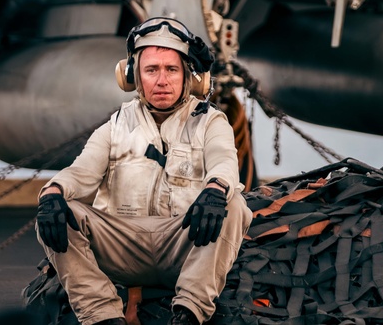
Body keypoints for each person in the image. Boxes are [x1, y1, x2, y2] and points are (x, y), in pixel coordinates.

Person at [35, 17, 252, 325]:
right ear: (133, 76)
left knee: (233, 204)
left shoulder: (209, 122)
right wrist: (53, 192)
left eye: (171, 69)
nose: (161, 80)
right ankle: (102, 316)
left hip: (183, 243)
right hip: (122, 243)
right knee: (58, 211)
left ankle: (189, 312)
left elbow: (224, 162)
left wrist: (216, 189)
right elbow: (80, 172)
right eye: (151, 70)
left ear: (190, 76)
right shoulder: (116, 125)